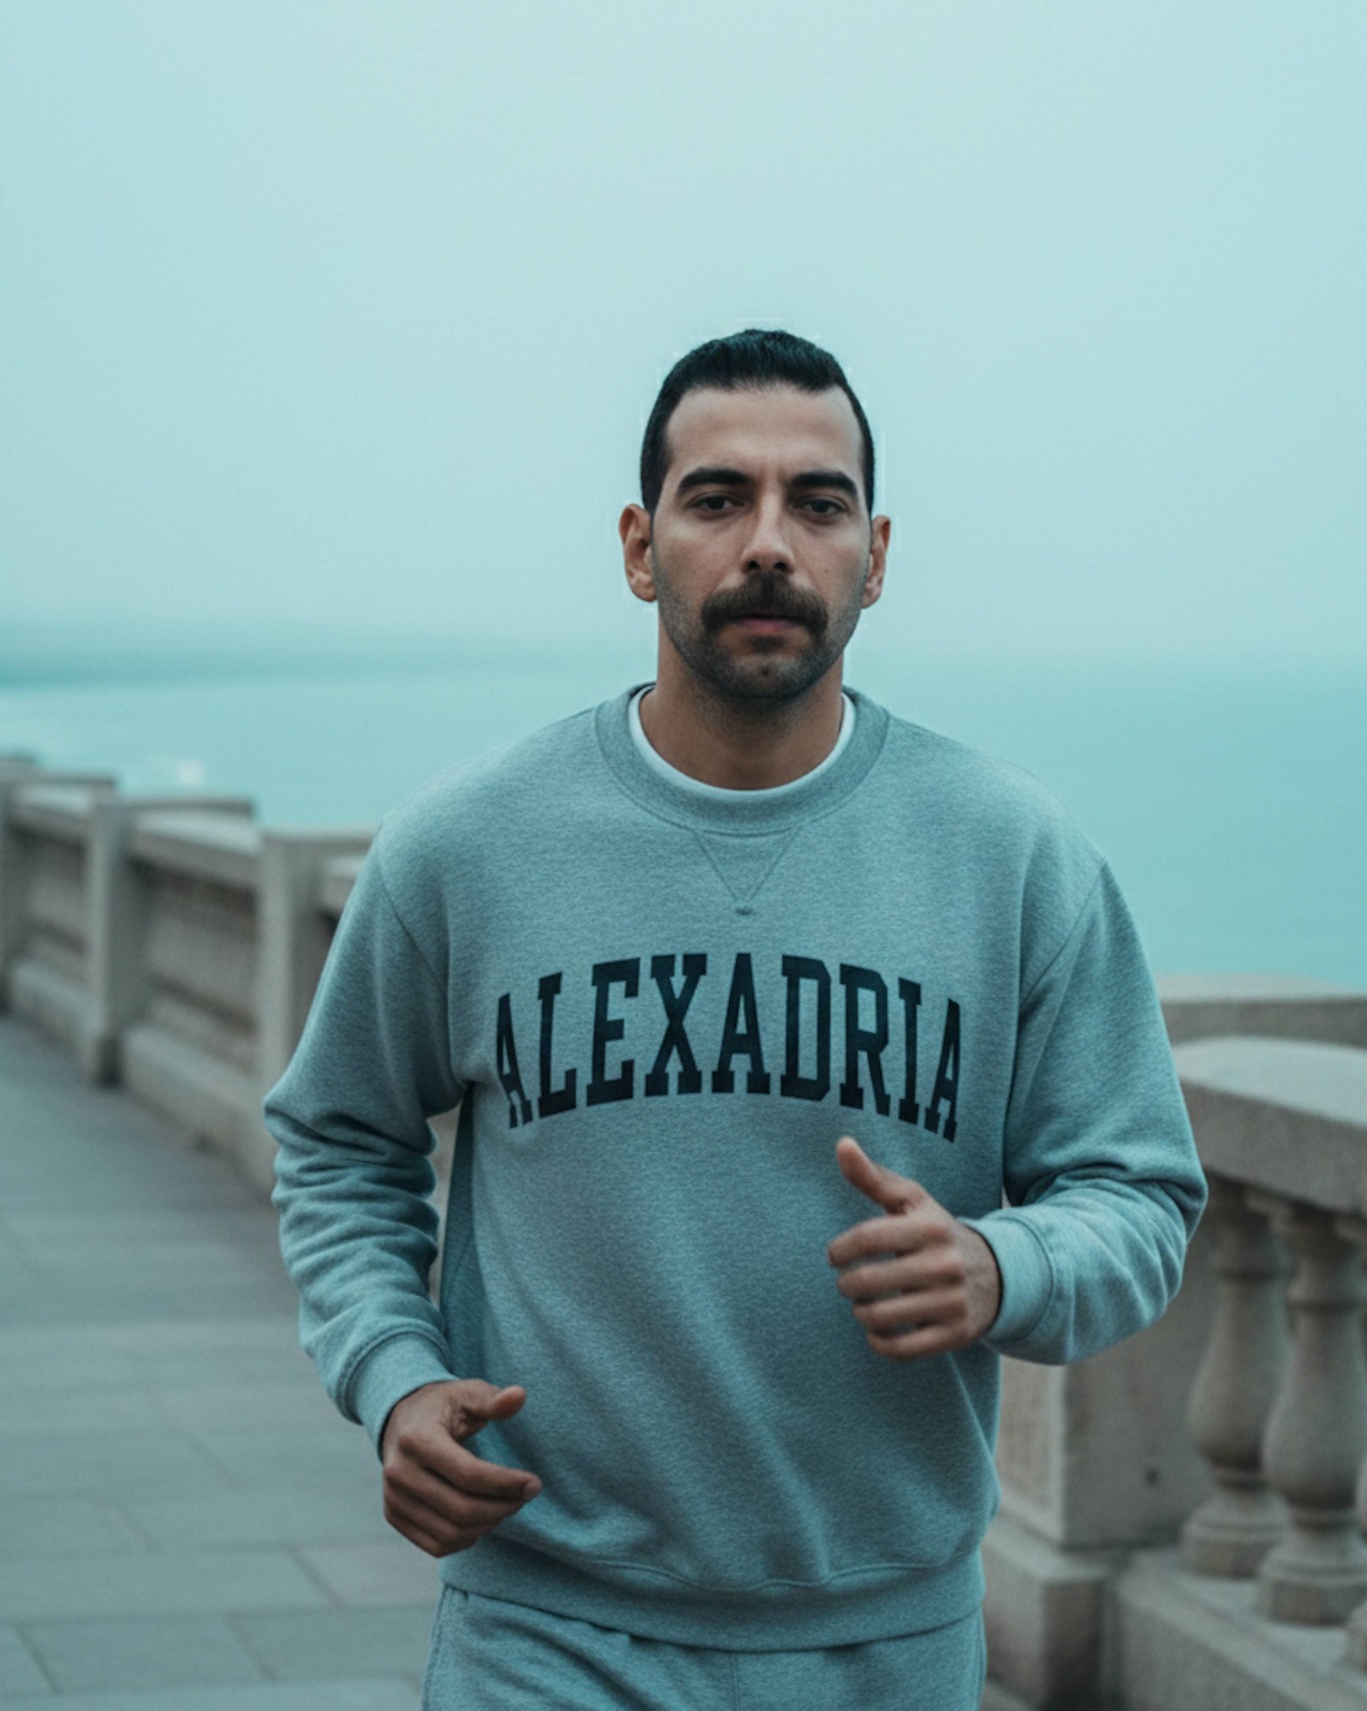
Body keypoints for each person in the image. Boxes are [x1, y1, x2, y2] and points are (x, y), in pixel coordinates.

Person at [264, 329, 1207, 1710]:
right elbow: (339, 1140)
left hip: (889, 1646)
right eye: (719, 499)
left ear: (874, 556)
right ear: (642, 548)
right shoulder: (468, 848)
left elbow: (1140, 1190)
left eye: (817, 504)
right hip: (547, 1632)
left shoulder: (1011, 857)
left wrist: (1007, 1268)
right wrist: (396, 1376)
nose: (770, 541)